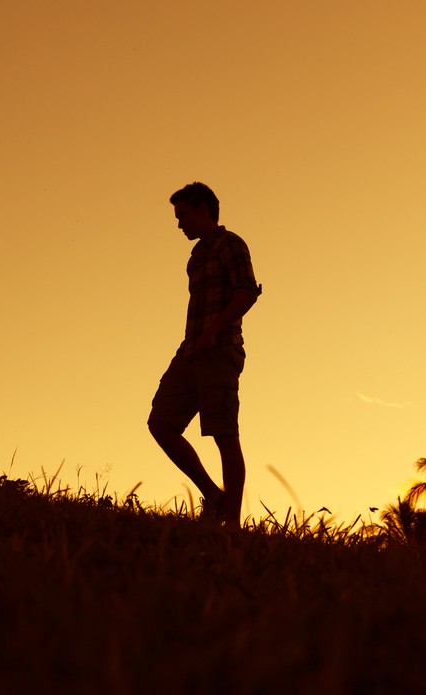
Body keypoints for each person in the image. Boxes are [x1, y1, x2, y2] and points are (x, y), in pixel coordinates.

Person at [147, 182, 262, 525]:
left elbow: (246, 294)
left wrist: (212, 332)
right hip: (191, 351)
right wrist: (195, 342)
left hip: (221, 350)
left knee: (224, 433)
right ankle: (214, 496)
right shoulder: (195, 258)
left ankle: (233, 523)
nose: (179, 223)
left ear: (202, 209)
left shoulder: (231, 245)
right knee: (161, 423)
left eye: (183, 215)